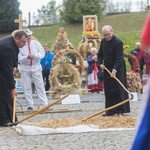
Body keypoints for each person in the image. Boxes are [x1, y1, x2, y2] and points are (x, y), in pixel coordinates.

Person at [98, 25, 130, 116]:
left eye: (108, 34)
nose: (107, 37)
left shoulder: (118, 42)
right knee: (108, 89)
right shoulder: (103, 41)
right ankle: (110, 110)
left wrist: (115, 70)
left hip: (118, 68)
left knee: (118, 88)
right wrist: (100, 63)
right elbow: (100, 54)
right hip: (107, 68)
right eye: (104, 35)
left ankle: (121, 110)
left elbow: (119, 58)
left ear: (112, 32)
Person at [0, 30, 28, 127]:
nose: (24, 44)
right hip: (2, 70)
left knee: (6, 94)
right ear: (16, 39)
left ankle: (10, 118)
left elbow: (15, 58)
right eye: (23, 42)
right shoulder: (7, 47)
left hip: (3, 69)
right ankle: (4, 120)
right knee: (4, 95)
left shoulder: (14, 44)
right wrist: (13, 88)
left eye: (26, 42)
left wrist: (15, 66)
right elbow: (7, 70)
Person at [18, 29, 48, 110]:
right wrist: (26, 57)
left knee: (40, 85)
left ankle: (44, 103)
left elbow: (42, 53)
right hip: (25, 67)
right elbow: (19, 58)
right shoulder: (20, 46)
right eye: (27, 36)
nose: (28, 38)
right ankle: (30, 105)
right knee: (26, 86)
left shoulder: (36, 43)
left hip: (35, 66)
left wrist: (35, 55)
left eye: (29, 36)